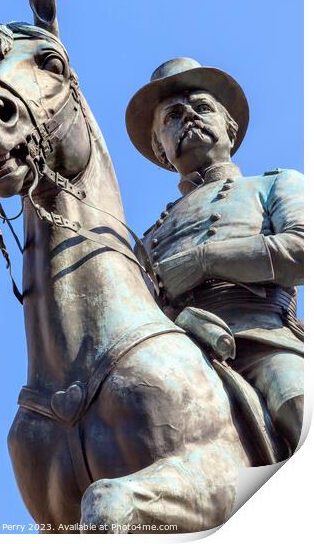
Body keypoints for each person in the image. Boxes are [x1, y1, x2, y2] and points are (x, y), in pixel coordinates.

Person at [126, 57, 304, 453]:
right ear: (160, 147)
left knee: (300, 405)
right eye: (172, 116)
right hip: (176, 355)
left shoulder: (275, 185)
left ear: (230, 127)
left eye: (202, 107)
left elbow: (302, 251)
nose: (188, 115)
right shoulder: (148, 239)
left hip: (262, 342)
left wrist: (204, 260)